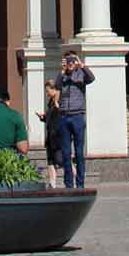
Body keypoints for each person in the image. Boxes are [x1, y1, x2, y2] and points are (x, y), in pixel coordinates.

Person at [56, 49, 94, 191]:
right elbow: (57, 86)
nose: (70, 63)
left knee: (79, 152)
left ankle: (80, 183)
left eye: (72, 60)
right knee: (66, 153)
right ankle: (68, 184)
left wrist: (81, 65)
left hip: (78, 116)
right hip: (64, 116)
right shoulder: (62, 76)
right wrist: (62, 71)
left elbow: (91, 78)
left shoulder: (81, 74)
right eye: (68, 60)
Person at [38, 80, 64, 189]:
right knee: (50, 161)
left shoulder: (61, 100)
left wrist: (58, 108)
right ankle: (52, 184)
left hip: (58, 136)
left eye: (48, 91)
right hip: (50, 136)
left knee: (61, 160)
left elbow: (61, 117)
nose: (47, 93)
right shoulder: (51, 102)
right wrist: (43, 117)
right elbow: (51, 118)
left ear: (54, 89)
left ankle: (76, 177)